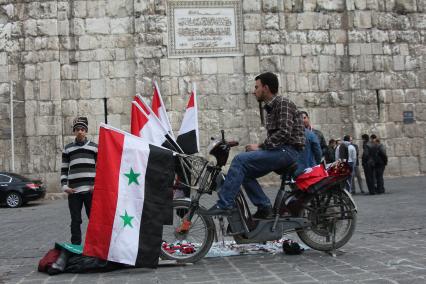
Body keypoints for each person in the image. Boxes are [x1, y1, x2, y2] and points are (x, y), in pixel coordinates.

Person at [205, 72, 305, 219]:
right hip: (281, 150)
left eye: (256, 87)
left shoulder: (283, 103)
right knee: (244, 171)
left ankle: (224, 204)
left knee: (240, 160)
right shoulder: (270, 108)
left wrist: (260, 146)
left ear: (266, 88)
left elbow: (285, 133)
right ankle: (264, 207)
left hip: (288, 151)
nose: (254, 91)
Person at [61, 117, 98, 245]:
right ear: (74, 132)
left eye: (82, 129)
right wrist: (64, 186)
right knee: (75, 220)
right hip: (74, 191)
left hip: (90, 191)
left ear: (86, 131)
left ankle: (95, 245)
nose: (80, 132)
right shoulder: (68, 148)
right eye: (77, 129)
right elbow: (64, 168)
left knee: (94, 220)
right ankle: (75, 246)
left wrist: (96, 185)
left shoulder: (94, 147)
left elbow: (100, 168)